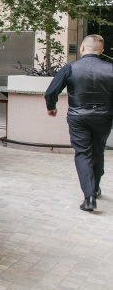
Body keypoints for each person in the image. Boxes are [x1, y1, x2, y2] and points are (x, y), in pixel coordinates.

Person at [44, 34, 113, 211]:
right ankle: (95, 187)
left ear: (82, 48)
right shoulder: (110, 69)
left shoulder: (70, 68)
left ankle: (89, 197)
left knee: (83, 153)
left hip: (78, 117)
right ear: (102, 51)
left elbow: (51, 91)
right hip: (104, 116)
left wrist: (51, 106)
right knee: (98, 151)